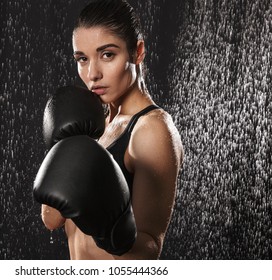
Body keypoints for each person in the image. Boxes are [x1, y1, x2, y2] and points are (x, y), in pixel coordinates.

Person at [39, 0, 183, 259]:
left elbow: (148, 251)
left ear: (137, 52)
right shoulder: (94, 124)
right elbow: (52, 220)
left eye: (107, 55)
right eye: (82, 59)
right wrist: (62, 146)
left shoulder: (151, 130)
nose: (92, 73)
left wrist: (112, 232)